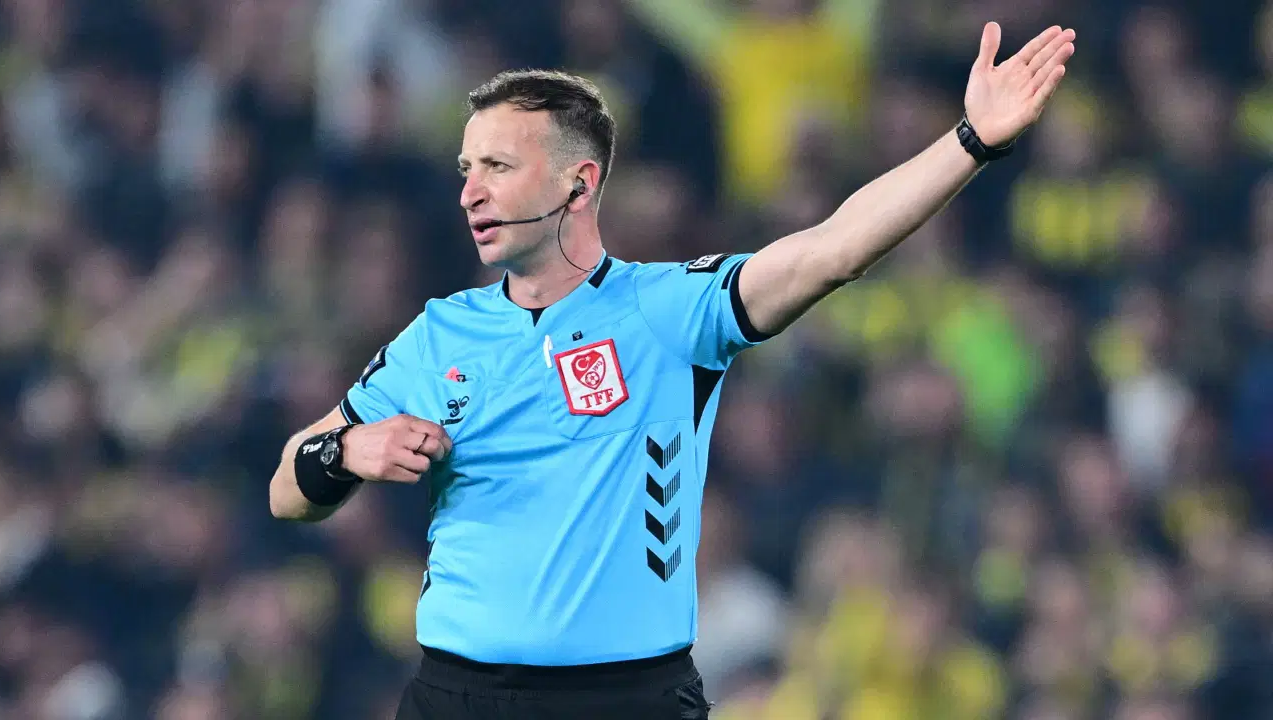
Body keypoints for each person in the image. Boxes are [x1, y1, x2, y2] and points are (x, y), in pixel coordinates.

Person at [268, 21, 1076, 720]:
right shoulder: (437, 335)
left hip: (626, 696)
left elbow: (831, 250)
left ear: (578, 184)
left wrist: (970, 141)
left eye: (498, 168)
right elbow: (287, 490)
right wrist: (345, 451)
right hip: (460, 694)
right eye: (466, 169)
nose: (471, 193)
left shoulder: (665, 311)